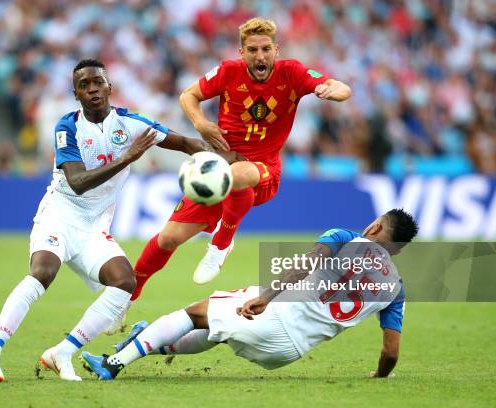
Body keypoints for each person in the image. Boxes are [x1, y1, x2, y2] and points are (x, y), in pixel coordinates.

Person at [0, 59, 237, 382]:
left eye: (98, 82)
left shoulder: (132, 124)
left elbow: (185, 143)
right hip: (59, 216)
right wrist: (127, 158)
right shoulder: (67, 128)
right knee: (42, 273)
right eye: (84, 85)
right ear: (76, 94)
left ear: (110, 86)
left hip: (94, 229)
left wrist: (220, 157)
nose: (93, 89)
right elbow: (78, 182)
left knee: (125, 282)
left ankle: (62, 353)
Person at [131, 17, 352, 297]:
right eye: (253, 50)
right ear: (242, 52)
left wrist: (333, 91)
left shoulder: (293, 73)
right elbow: (188, 95)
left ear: (276, 50)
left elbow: (342, 88)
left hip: (263, 172)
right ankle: (127, 295)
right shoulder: (228, 72)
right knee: (168, 238)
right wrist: (201, 124)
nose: (260, 56)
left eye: (265, 49)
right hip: (219, 169)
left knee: (237, 175)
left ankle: (221, 242)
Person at [80, 209, 418, 380]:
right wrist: (380, 376)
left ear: (375, 228)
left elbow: (303, 265)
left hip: (278, 313)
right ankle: (145, 340)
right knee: (213, 330)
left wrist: (267, 297)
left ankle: (113, 364)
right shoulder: (396, 288)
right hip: (288, 352)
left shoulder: (345, 236)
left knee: (195, 313)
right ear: (399, 252)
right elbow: (390, 352)